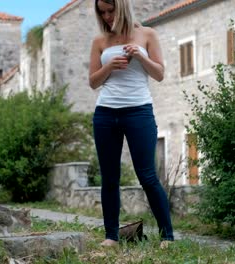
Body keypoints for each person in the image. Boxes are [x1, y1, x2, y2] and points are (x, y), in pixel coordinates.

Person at [89, 0, 174, 247]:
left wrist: (139, 55)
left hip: (139, 112)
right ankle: (111, 237)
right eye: (102, 12)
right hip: (105, 113)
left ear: (122, 7)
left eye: (110, 10)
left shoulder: (147, 34)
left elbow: (159, 74)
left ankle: (167, 236)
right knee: (110, 177)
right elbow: (93, 82)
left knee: (147, 175)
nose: (106, 16)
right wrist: (109, 66)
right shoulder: (100, 41)